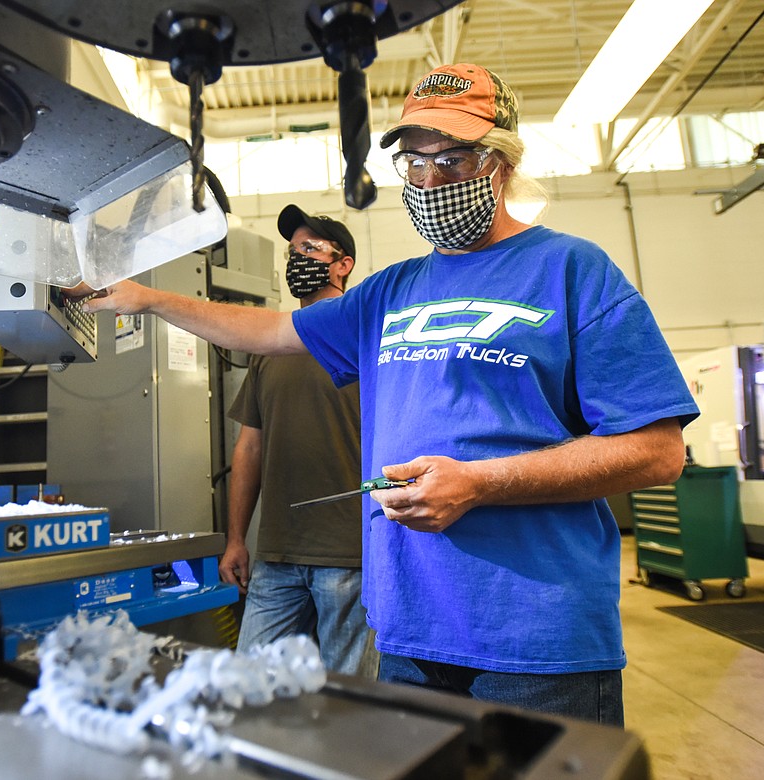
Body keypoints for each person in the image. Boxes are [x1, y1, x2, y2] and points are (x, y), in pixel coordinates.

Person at [83, 62, 699, 726]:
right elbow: (270, 329)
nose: (430, 182)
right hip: (408, 633)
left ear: (503, 163)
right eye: (414, 163)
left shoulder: (572, 270)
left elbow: (657, 452)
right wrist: (145, 298)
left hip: (535, 642)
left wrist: (482, 483)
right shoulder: (389, 291)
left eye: (453, 160)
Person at [222, 205, 375, 677]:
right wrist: (235, 539)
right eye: (293, 251)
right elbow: (248, 449)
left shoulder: (369, 338)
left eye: (310, 248)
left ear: (343, 264)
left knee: (349, 701)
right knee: (252, 687)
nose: (298, 259)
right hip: (277, 555)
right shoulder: (270, 349)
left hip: (350, 554)